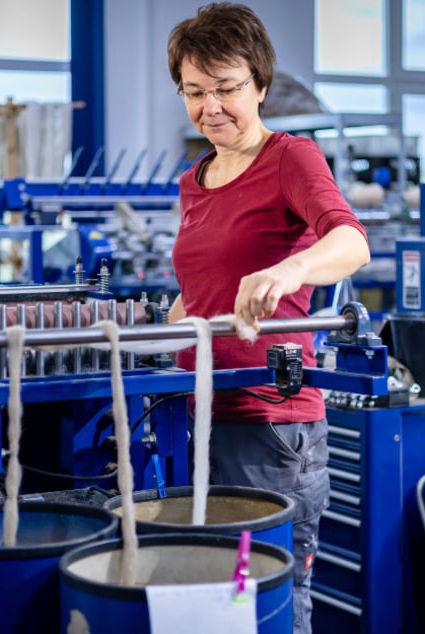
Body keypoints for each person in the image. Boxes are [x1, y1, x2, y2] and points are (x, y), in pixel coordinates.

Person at [165, 4, 371, 632]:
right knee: (208, 599)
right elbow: (199, 293)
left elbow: (352, 241)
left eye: (226, 89)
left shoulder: (290, 158)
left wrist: (290, 271)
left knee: (270, 604)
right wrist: (148, 336)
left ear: (259, 84)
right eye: (195, 92)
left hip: (268, 426)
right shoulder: (193, 180)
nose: (211, 107)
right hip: (192, 414)